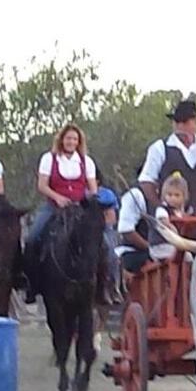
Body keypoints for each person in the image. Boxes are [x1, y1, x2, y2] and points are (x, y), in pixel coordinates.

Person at [24, 124, 99, 303]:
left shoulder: (86, 161)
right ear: (62, 140)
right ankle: (32, 284)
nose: (71, 142)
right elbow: (42, 185)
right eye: (68, 138)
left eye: (74, 139)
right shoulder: (49, 159)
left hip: (80, 207)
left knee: (103, 241)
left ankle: (106, 286)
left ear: (79, 142)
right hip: (54, 206)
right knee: (32, 238)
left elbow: (92, 187)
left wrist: (88, 200)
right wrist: (57, 197)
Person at [137, 100, 196, 214]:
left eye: (185, 121)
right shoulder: (160, 148)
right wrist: (161, 208)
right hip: (167, 225)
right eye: (176, 121)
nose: (179, 125)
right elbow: (146, 182)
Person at [115, 180, 158, 274]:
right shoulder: (135, 195)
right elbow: (126, 230)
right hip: (132, 253)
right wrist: (152, 249)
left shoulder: (167, 195)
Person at [149, 173, 192, 261]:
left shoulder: (182, 213)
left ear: (184, 197)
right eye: (169, 195)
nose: (172, 198)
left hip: (174, 245)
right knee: (187, 257)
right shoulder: (162, 209)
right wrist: (173, 230)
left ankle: (193, 274)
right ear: (164, 195)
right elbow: (164, 222)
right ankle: (185, 274)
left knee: (191, 256)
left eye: (177, 195)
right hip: (160, 245)